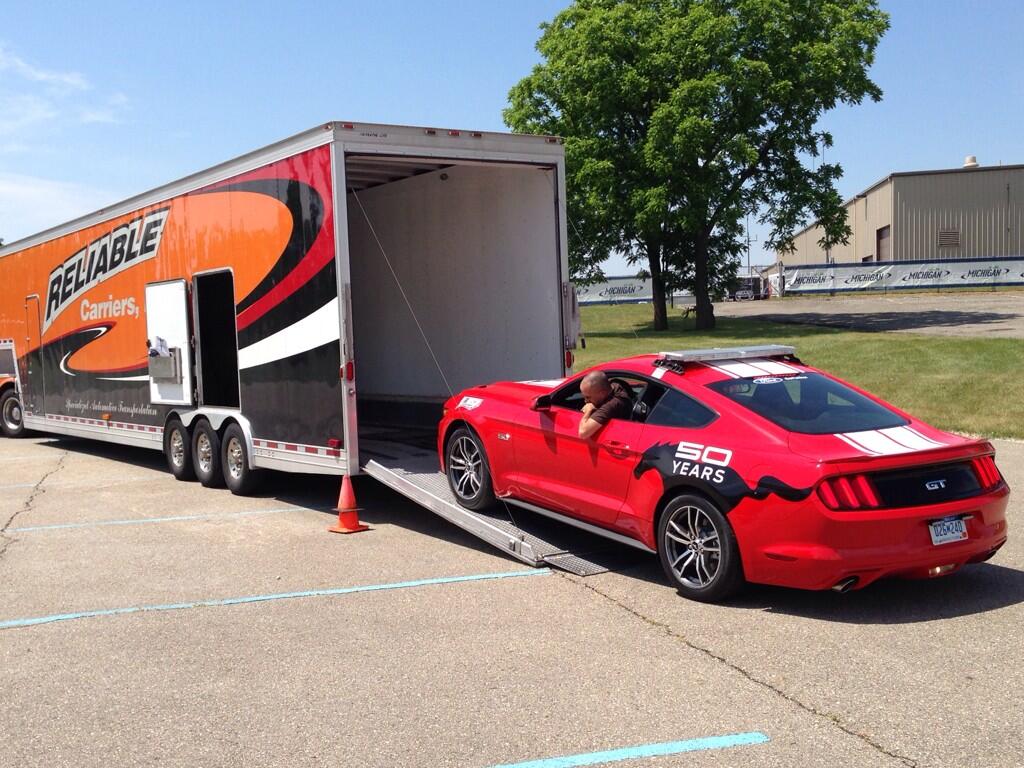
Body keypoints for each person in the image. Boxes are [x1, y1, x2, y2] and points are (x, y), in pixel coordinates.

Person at [578, 370, 633, 439]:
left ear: (602, 393)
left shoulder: (611, 405)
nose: (585, 401)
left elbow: (583, 433)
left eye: (588, 397)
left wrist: (588, 411)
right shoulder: (616, 384)